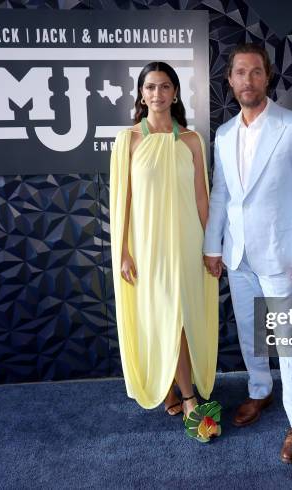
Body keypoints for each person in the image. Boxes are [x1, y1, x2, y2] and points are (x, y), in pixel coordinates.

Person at [203, 44, 292, 462]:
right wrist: (212, 246)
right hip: (238, 255)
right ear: (230, 80)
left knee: (289, 340)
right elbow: (220, 195)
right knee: (251, 333)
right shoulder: (222, 134)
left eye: (255, 72)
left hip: (282, 255)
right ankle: (260, 391)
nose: (248, 80)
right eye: (240, 72)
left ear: (267, 77)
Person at [109, 62, 221, 441]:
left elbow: (202, 198)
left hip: (187, 243)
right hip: (147, 245)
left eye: (165, 87)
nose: (158, 94)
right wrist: (123, 250)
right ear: (141, 94)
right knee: (160, 315)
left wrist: (212, 246)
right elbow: (121, 200)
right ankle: (181, 393)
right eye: (151, 87)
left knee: (183, 314)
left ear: (175, 93)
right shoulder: (128, 140)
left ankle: (183, 393)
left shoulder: (191, 140)